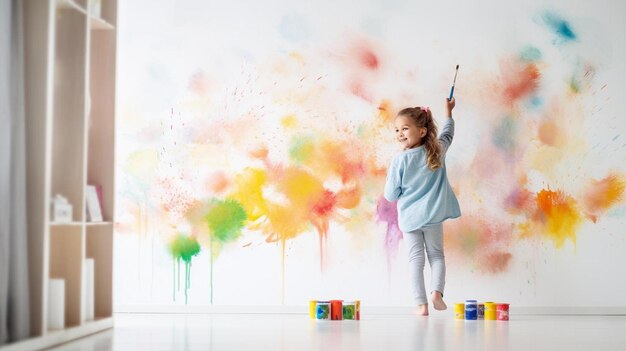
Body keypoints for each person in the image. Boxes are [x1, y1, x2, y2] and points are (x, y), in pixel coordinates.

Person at [384, 97, 461, 316]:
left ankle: (422, 305)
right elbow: (448, 134)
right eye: (397, 129)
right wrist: (449, 112)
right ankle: (437, 293)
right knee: (436, 256)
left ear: (422, 131)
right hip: (434, 217)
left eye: (405, 128)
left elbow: (390, 195)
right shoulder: (437, 151)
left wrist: (400, 189)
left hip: (410, 220)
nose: (400, 134)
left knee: (415, 260)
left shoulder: (399, 161)